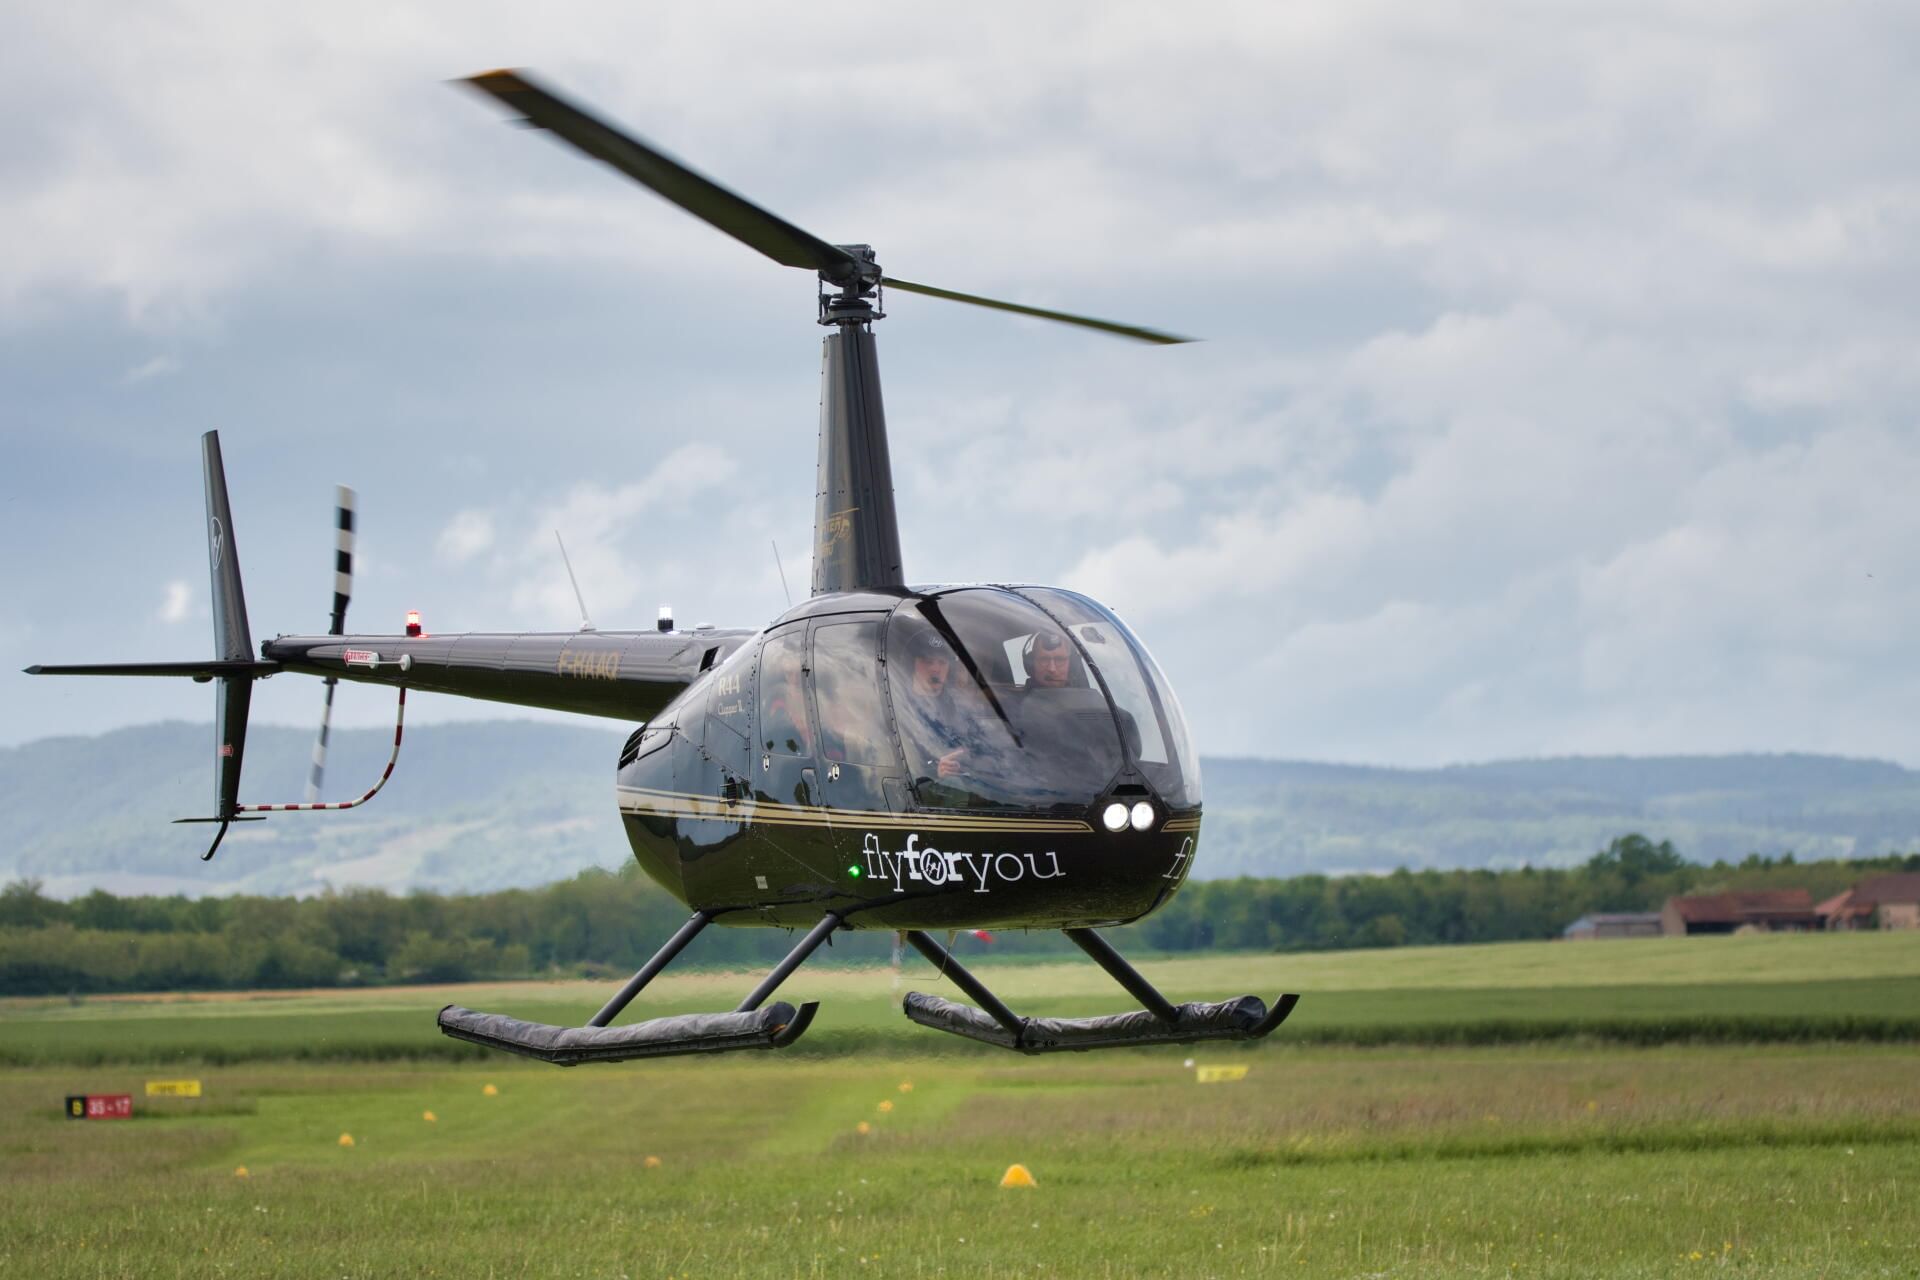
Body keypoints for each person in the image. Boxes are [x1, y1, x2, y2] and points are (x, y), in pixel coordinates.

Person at [903, 629, 969, 780]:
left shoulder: (958, 705)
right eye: (928, 661)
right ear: (913, 664)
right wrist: (934, 773)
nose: (935, 669)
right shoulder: (898, 703)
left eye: (942, 662)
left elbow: (973, 745)